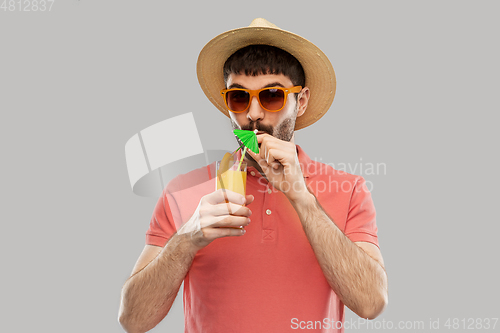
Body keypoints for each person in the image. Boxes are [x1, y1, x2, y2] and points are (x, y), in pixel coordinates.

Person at [118, 18, 388, 333]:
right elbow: (133, 320)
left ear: (299, 103)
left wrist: (301, 196)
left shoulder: (349, 189)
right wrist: (187, 240)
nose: (254, 114)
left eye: (271, 96)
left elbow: (371, 304)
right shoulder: (183, 190)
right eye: (239, 97)